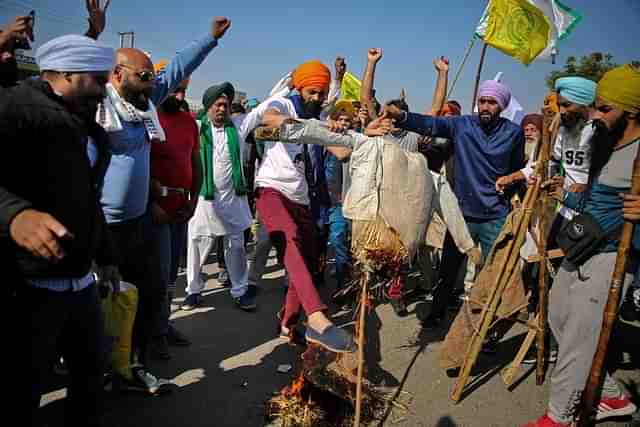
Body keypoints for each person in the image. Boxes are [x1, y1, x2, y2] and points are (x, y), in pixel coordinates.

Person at [96, 16, 231, 390]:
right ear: (118, 75)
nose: (152, 83)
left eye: (151, 79)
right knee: (101, 303)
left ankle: (132, 364)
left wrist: (209, 39)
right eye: (143, 76)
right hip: (102, 229)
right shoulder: (97, 109)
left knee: (149, 292)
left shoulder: (144, 103)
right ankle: (96, 371)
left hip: (137, 223)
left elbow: (173, 71)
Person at [1, 34, 118, 427]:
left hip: (80, 281)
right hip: (28, 286)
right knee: (23, 385)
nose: (105, 92)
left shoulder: (85, 125)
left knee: (91, 371)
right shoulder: (17, 108)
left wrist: (106, 256)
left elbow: (87, 200)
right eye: (99, 81)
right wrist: (15, 215)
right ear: (67, 72)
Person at [523, 64, 640, 427]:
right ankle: (611, 395)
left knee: (577, 337)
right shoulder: (602, 141)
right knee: (557, 318)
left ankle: (558, 418)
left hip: (613, 256)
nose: (596, 116)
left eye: (606, 109)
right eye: (596, 107)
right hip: (581, 245)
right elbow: (594, 199)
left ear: (632, 113)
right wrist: (567, 196)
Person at [383, 79, 525, 328]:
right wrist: (402, 116)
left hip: (496, 215)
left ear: (501, 106)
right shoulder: (462, 125)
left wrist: (511, 192)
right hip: (462, 215)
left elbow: (516, 170)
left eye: (491, 102)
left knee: (494, 273)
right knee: (448, 270)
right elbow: (431, 123)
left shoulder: (513, 133)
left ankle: (489, 327)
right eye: (482, 101)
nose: (485, 107)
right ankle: (437, 313)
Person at [249, 60, 356, 353]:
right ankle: (317, 319)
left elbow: (342, 151)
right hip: (272, 189)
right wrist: (322, 127)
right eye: (313, 92)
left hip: (303, 198)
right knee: (290, 245)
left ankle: (288, 320)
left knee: (308, 262)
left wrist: (357, 136)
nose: (318, 99)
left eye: (322, 94)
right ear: (299, 87)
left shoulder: (318, 115)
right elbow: (272, 119)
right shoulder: (283, 104)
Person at [184, 82, 256, 311]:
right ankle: (193, 290)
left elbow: (261, 112)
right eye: (217, 105)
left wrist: (288, 87)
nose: (222, 109)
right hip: (205, 202)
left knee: (235, 246)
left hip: (232, 200)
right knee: (197, 244)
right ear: (207, 107)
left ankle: (240, 290)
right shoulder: (196, 128)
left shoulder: (238, 127)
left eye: (225, 105)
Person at [148, 73, 200, 359]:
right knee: (156, 276)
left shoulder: (190, 122)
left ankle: (163, 326)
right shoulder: (148, 118)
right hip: (155, 212)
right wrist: (149, 202)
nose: (179, 97)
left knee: (170, 276)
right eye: (175, 90)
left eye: (183, 91)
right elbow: (137, 163)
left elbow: (196, 163)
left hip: (180, 209)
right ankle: (152, 335)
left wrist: (193, 202)